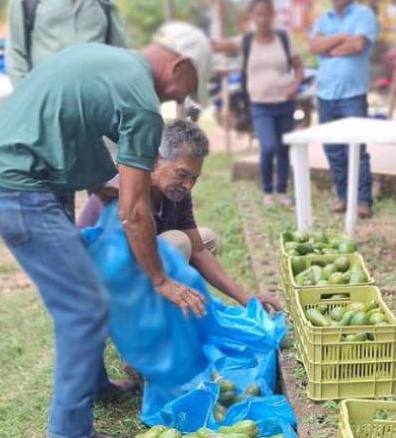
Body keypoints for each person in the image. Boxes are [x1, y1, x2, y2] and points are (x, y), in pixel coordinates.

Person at [0, 27, 212, 438]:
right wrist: (160, 279)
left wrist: (104, 188)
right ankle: (68, 436)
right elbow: (135, 212)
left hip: (19, 171)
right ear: (180, 67)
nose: (179, 101)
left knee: (83, 291)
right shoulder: (140, 100)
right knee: (84, 305)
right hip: (17, 183)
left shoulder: (106, 60)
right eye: (186, 89)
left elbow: (67, 125)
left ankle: (93, 386)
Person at [79, 119, 282, 312]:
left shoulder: (176, 192)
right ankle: (152, 318)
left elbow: (200, 251)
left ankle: (172, 304)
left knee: (206, 240)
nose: (188, 185)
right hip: (99, 280)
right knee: (178, 243)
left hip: (140, 263)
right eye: (182, 174)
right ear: (156, 160)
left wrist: (246, 298)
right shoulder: (128, 188)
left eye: (194, 178)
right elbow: (112, 256)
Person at [215, 0, 303, 209]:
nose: (263, 19)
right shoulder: (246, 41)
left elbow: (299, 67)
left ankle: (281, 192)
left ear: (272, 15)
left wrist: (294, 85)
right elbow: (223, 45)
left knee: (283, 148)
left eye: (266, 14)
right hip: (260, 105)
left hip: (284, 103)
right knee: (268, 146)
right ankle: (267, 191)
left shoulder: (284, 38)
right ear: (252, 17)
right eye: (258, 15)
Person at [308, 0, 379, 219]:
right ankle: (342, 195)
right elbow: (313, 46)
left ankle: (363, 200)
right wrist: (340, 38)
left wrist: (329, 46)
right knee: (333, 149)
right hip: (326, 94)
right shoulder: (323, 19)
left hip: (352, 94)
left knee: (356, 148)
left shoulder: (363, 14)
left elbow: (359, 44)